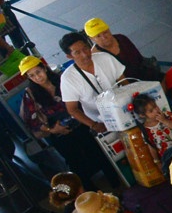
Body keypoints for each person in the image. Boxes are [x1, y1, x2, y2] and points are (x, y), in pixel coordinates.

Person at [15, 54, 118, 189]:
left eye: (38, 72)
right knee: (76, 164)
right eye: (32, 76)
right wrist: (52, 130)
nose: (37, 77)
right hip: (59, 133)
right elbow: (31, 122)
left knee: (99, 153)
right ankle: (92, 194)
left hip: (81, 123)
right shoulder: (30, 94)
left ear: (44, 68)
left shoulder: (63, 80)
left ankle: (116, 184)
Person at [58, 29, 127, 133]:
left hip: (123, 109)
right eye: (77, 53)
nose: (84, 55)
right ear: (69, 56)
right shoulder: (68, 79)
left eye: (85, 48)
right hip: (100, 121)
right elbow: (72, 109)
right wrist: (94, 125)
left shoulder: (105, 58)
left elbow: (124, 81)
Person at [83, 16, 163, 84]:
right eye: (98, 36)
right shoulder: (96, 55)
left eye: (105, 32)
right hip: (125, 83)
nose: (104, 37)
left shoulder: (121, 39)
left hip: (140, 72)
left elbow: (139, 59)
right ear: (92, 39)